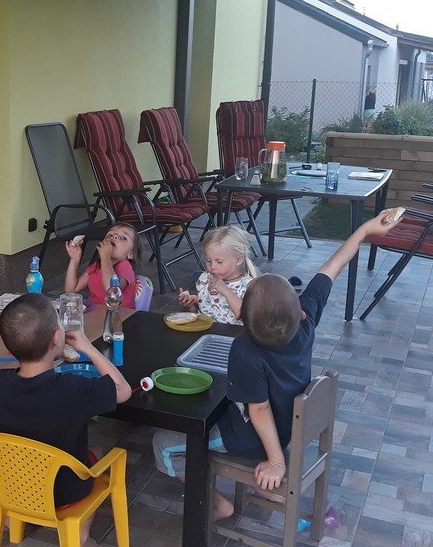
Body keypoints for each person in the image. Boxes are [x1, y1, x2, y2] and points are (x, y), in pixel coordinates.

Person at [152, 208, 403, 519]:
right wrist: (365, 230)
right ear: (297, 310)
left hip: (250, 436)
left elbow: (258, 410)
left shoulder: (245, 349)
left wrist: (275, 462)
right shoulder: (304, 322)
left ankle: (218, 503)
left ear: (246, 317)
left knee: (164, 441)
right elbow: (332, 267)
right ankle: (265, 487)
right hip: (289, 424)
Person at [0, 293, 132, 547]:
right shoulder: (71, 390)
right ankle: (81, 538)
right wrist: (88, 348)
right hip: (65, 490)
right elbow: (123, 391)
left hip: (17, 486)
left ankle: (13, 519)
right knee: (97, 452)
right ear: (57, 338)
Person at [176, 226, 259, 325]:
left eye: (219, 262)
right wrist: (189, 305)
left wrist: (225, 290)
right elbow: (198, 311)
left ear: (238, 260)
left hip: (233, 333)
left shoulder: (248, 286)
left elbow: (245, 316)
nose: (212, 267)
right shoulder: (205, 279)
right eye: (208, 261)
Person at [64, 223, 139, 308]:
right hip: (95, 313)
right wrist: (74, 259)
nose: (114, 237)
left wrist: (105, 257)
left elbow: (112, 290)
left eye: (124, 238)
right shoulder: (95, 267)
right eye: (110, 235)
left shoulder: (125, 266)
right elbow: (71, 290)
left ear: (131, 254)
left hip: (118, 315)